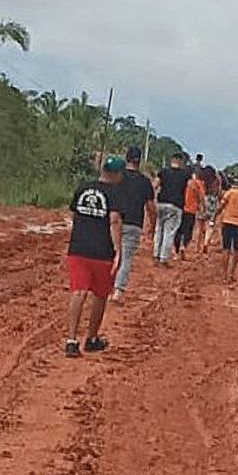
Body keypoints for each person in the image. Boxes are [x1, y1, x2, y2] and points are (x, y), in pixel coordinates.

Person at [65, 156, 125, 357]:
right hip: (101, 251)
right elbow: (114, 221)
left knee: (78, 292)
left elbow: (74, 215)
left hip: (78, 248)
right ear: (116, 174)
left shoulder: (83, 188)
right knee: (100, 294)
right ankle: (91, 338)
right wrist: (118, 250)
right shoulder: (116, 193)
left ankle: (71, 340)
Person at [112, 145, 156, 300]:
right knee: (126, 257)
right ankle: (118, 290)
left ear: (126, 158)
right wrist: (152, 225)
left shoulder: (117, 177)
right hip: (134, 224)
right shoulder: (145, 182)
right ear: (140, 161)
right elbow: (151, 207)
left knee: (110, 254)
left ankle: (105, 285)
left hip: (113, 221)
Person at [153, 153, 187, 264]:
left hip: (161, 203)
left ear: (171, 160)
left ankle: (155, 255)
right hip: (175, 206)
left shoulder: (163, 172)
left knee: (159, 230)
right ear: (181, 162)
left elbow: (155, 185)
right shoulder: (185, 175)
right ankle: (163, 258)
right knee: (169, 232)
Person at [177, 162, 207, 260]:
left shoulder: (184, 181)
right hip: (191, 210)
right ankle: (183, 247)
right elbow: (202, 197)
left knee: (179, 230)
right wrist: (203, 208)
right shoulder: (198, 184)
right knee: (188, 232)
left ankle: (176, 250)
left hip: (181, 208)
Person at [197, 166, 221, 253]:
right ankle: (206, 242)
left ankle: (197, 246)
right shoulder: (216, 180)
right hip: (213, 201)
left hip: (204, 200)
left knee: (200, 226)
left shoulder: (203, 180)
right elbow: (219, 191)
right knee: (210, 225)